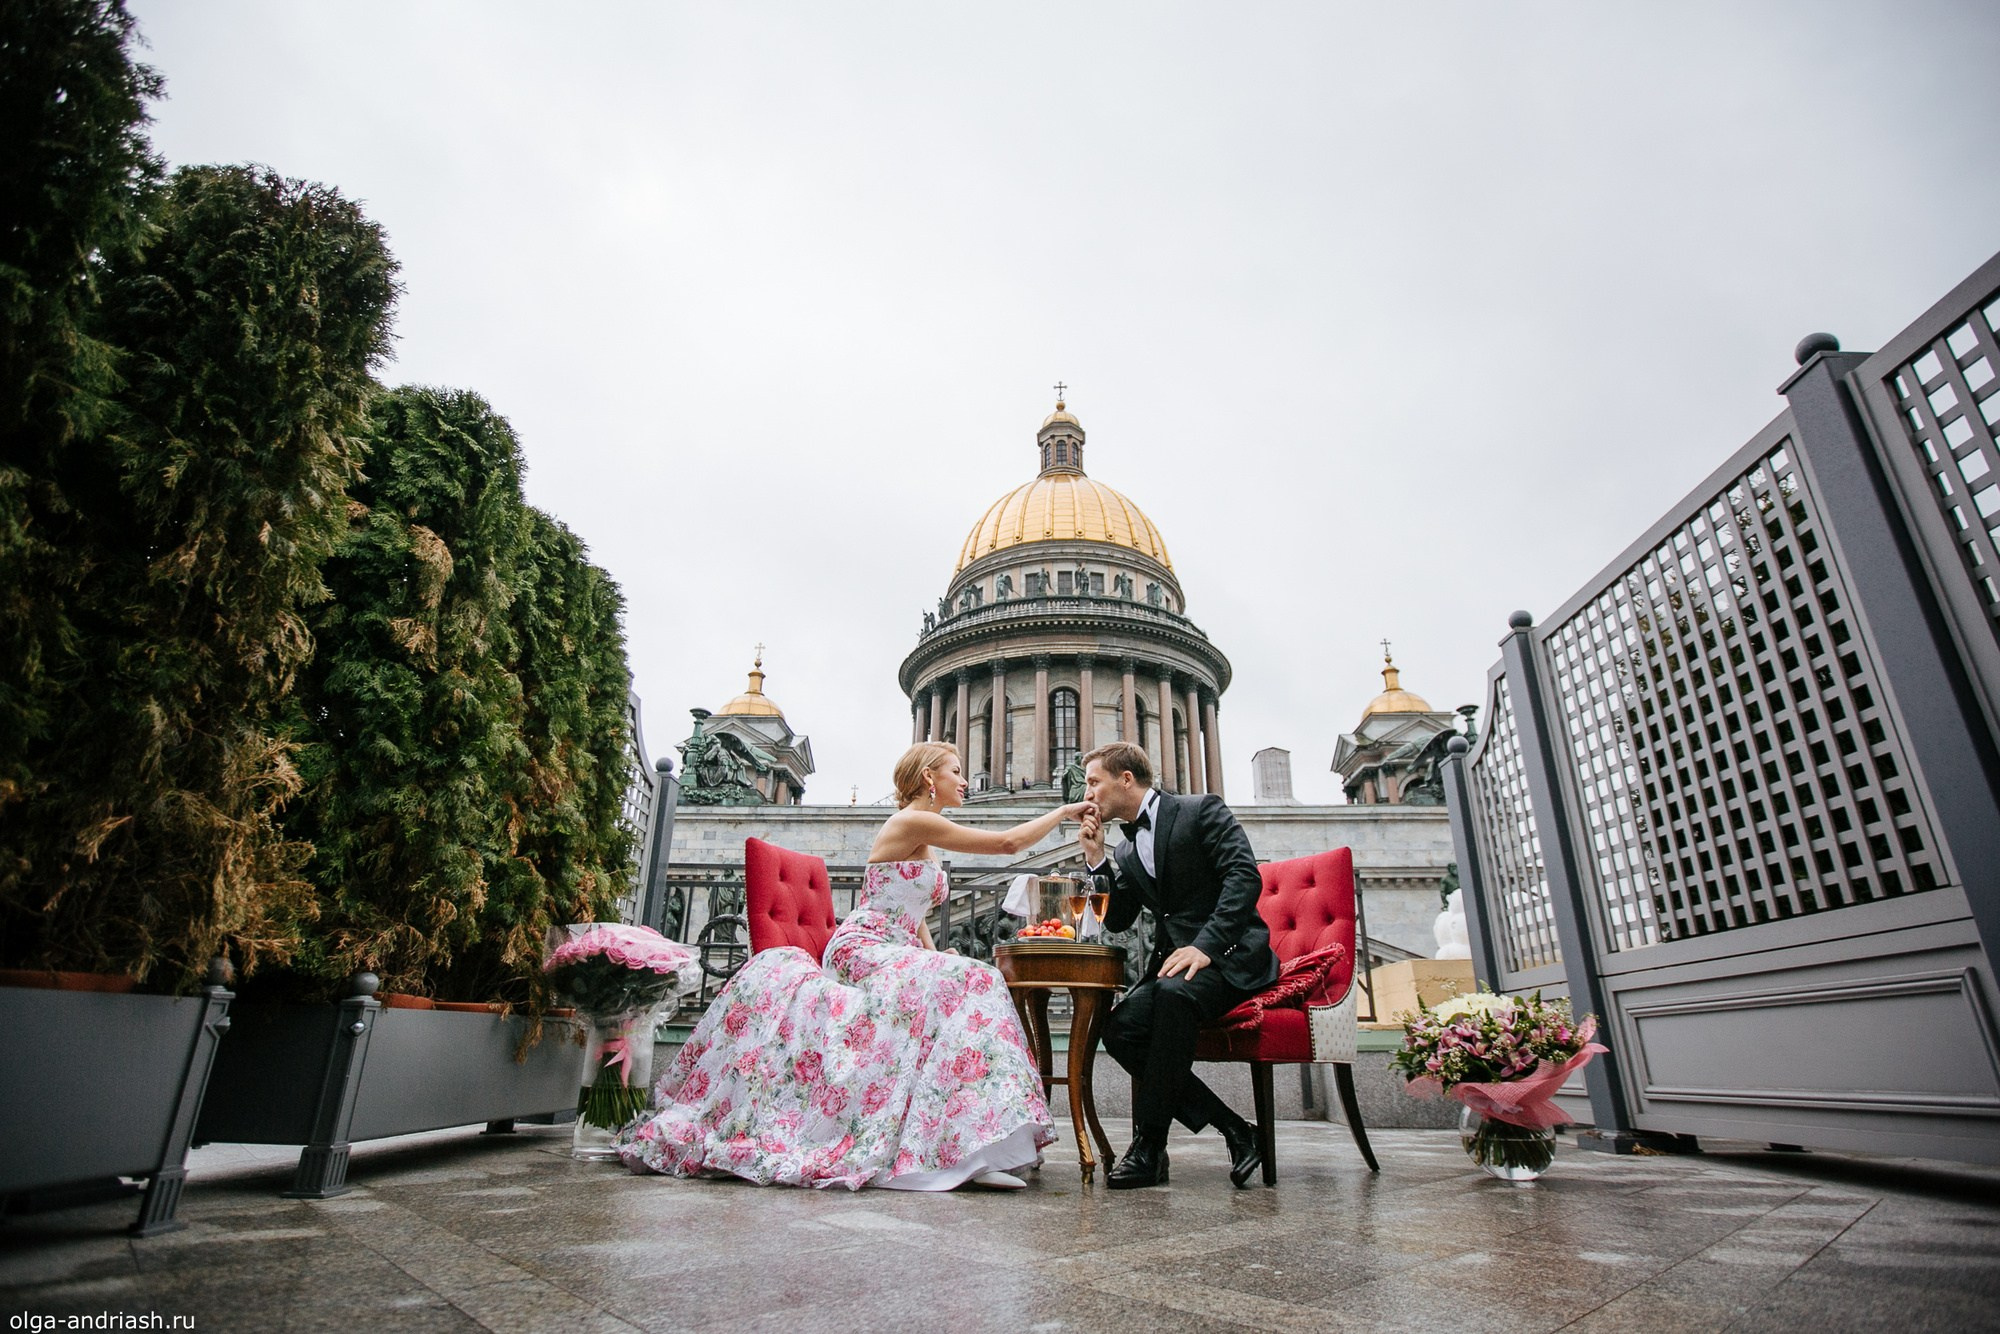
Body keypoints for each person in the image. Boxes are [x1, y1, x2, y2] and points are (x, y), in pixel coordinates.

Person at [617, 742, 1090, 1190]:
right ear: (929, 776)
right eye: (956, 772)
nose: (965, 781)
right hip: (862, 948)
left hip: (892, 944)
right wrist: (1066, 812)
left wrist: (933, 954)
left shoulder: (924, 830)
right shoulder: (911, 822)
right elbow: (1007, 844)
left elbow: (914, 913)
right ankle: (969, 1151)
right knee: (978, 977)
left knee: (967, 975)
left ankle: (968, 1146)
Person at [1078, 741, 1277, 1189]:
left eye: (1094, 782)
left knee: (1171, 996)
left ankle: (1149, 1147)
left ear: (1125, 779)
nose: (1088, 793)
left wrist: (1206, 946)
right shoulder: (1126, 851)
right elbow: (1118, 919)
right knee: (1120, 1028)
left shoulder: (1201, 809)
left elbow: (1243, 876)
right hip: (1178, 970)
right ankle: (1235, 1129)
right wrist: (1096, 860)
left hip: (1229, 959)